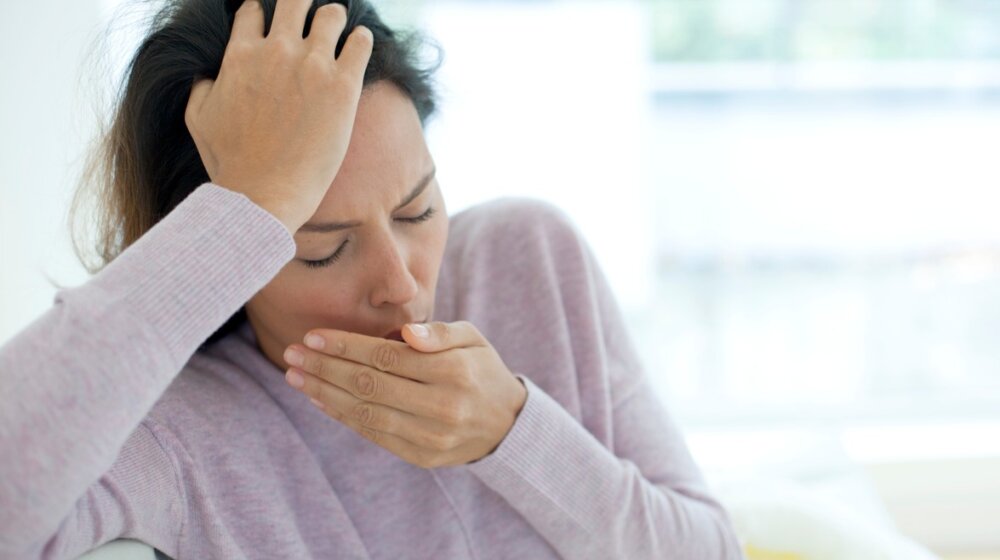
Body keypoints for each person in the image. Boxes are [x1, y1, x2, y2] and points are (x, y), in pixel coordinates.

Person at [0, 0, 744, 558]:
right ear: (222, 246)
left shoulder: (526, 258)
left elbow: (711, 550)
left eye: (417, 209)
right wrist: (253, 197)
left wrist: (512, 432)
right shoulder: (174, 430)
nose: (400, 283)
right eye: (322, 249)